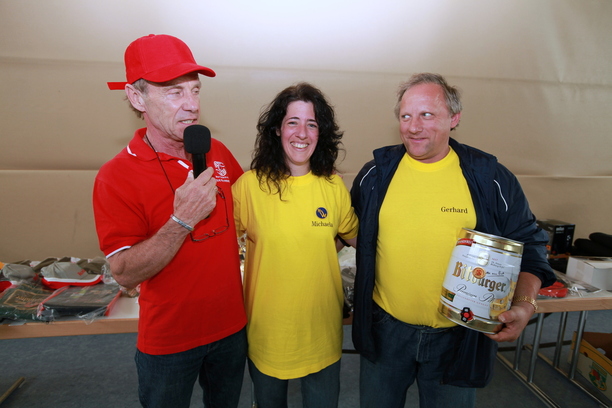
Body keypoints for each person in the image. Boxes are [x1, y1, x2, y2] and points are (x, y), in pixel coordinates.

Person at [350, 72, 556, 408]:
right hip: (385, 330)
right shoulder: (375, 174)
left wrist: (524, 304)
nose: (413, 127)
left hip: (460, 334)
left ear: (454, 118)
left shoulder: (489, 178)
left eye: (426, 115)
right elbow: (348, 231)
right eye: (406, 116)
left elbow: (530, 244)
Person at [93, 34, 247, 408]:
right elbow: (124, 273)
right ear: (137, 98)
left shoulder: (216, 150)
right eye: (175, 92)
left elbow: (252, 211)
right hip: (169, 342)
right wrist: (182, 220)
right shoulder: (116, 176)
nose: (192, 105)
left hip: (231, 328)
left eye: (195, 90)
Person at [232, 82, 358, 408]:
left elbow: (354, 237)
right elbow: (217, 246)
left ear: (321, 132)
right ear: (277, 129)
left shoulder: (333, 186)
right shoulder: (249, 187)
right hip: (268, 334)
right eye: (293, 122)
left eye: (312, 124)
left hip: (322, 333)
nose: (302, 133)